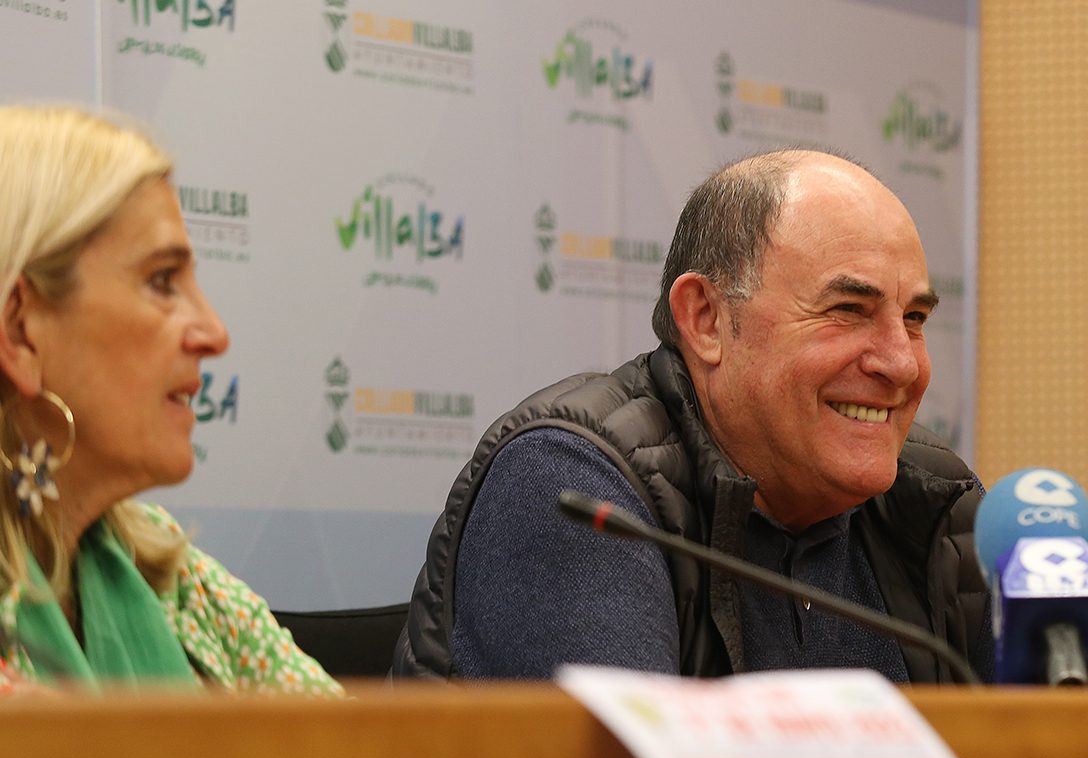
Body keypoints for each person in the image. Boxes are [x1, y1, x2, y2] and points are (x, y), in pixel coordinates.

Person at [394, 150, 991, 684]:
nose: (901, 363)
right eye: (849, 309)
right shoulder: (573, 485)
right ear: (706, 319)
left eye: (914, 319)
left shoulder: (937, 505)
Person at [0, 105, 340, 695]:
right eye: (162, 281)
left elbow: (358, 748)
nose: (214, 332)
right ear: (21, 331)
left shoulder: (167, 572)